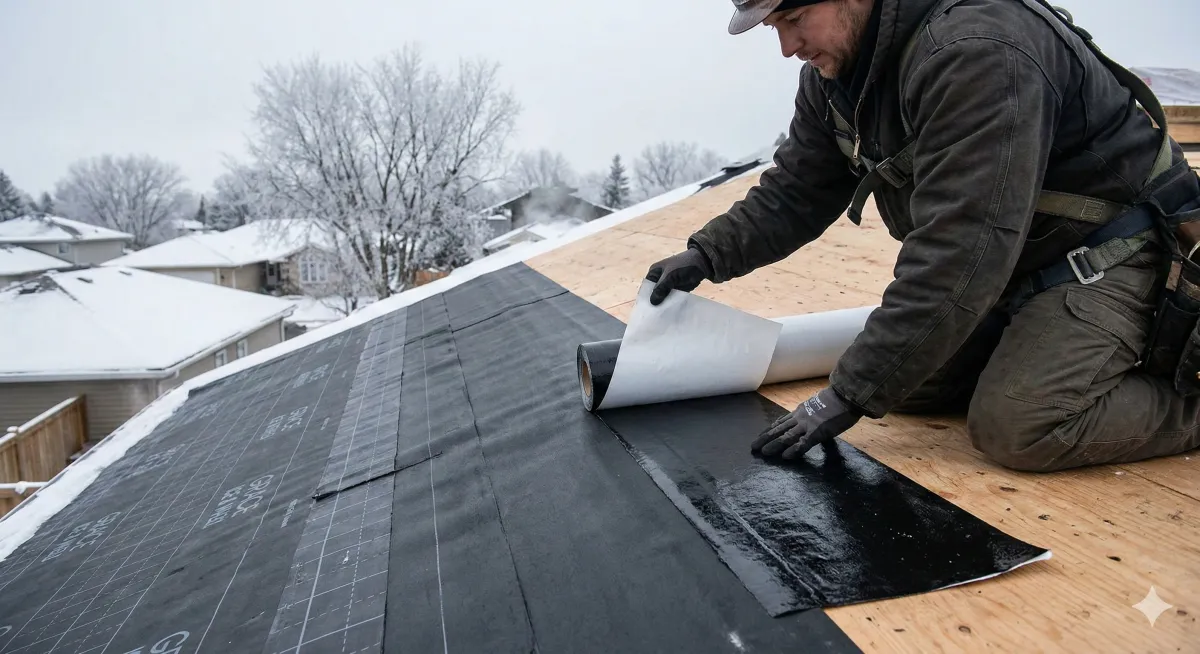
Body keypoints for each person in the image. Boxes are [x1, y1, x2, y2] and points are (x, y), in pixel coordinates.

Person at [645, 0, 1200, 472]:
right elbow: (798, 189)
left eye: (794, 19)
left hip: (1121, 250)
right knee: (911, 387)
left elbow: (961, 251)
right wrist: (707, 253)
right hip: (1026, 257)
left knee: (1020, 423)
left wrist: (847, 394)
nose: (789, 47)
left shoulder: (976, 52)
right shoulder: (837, 77)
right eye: (774, 29)